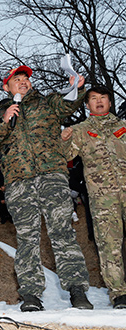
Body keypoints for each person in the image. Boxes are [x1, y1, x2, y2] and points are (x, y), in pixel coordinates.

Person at [0, 65, 93, 312]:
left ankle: (77, 290)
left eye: (25, 79)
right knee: (27, 238)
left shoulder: (46, 103)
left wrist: (78, 87)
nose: (22, 82)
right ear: (6, 86)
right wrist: (4, 119)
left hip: (52, 175)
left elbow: (69, 103)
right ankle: (30, 294)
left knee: (62, 231)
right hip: (19, 181)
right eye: (16, 79)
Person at [60, 86, 126, 309]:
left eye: (103, 98)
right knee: (109, 244)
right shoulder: (80, 130)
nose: (99, 102)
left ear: (110, 102)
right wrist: (65, 139)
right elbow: (66, 156)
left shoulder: (124, 126)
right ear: (87, 105)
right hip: (103, 199)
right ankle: (119, 294)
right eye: (94, 99)